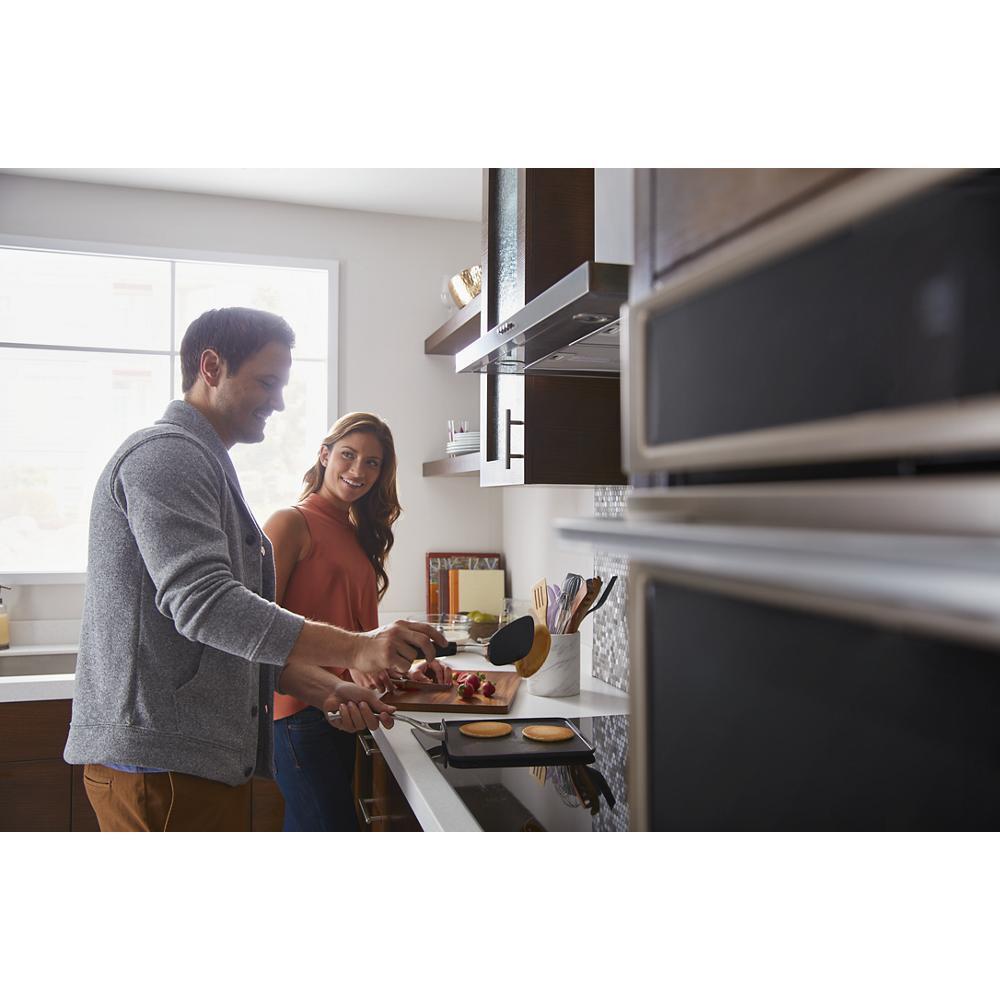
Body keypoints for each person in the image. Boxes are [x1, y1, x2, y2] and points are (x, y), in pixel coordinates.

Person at [63, 307, 446, 832]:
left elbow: (227, 639)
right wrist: (357, 648)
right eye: (268, 382)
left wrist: (323, 689)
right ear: (212, 366)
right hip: (161, 762)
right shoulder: (167, 456)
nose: (279, 401)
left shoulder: (204, 462)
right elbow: (207, 606)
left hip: (187, 759)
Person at [264, 412, 450, 831]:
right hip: (298, 712)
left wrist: (412, 669)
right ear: (324, 456)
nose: (358, 470)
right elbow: (260, 628)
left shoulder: (354, 532)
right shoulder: (289, 523)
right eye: (348, 455)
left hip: (345, 708)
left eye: (373, 463)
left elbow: (357, 635)